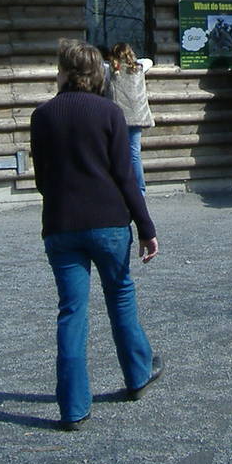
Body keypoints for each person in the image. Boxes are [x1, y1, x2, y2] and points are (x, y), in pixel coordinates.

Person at [30, 40, 163, 431]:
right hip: (108, 221)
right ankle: (137, 376)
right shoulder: (110, 113)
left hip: (61, 223)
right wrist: (146, 227)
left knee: (72, 311)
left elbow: (42, 180)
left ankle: (73, 408)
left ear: (67, 72)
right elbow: (126, 177)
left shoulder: (43, 115)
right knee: (120, 295)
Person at [106, 42, 154, 193]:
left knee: (115, 152)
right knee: (134, 153)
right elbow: (149, 61)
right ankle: (140, 190)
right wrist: (133, 61)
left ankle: (117, 188)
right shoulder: (139, 68)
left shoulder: (110, 70)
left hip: (117, 117)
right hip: (136, 116)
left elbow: (99, 64)